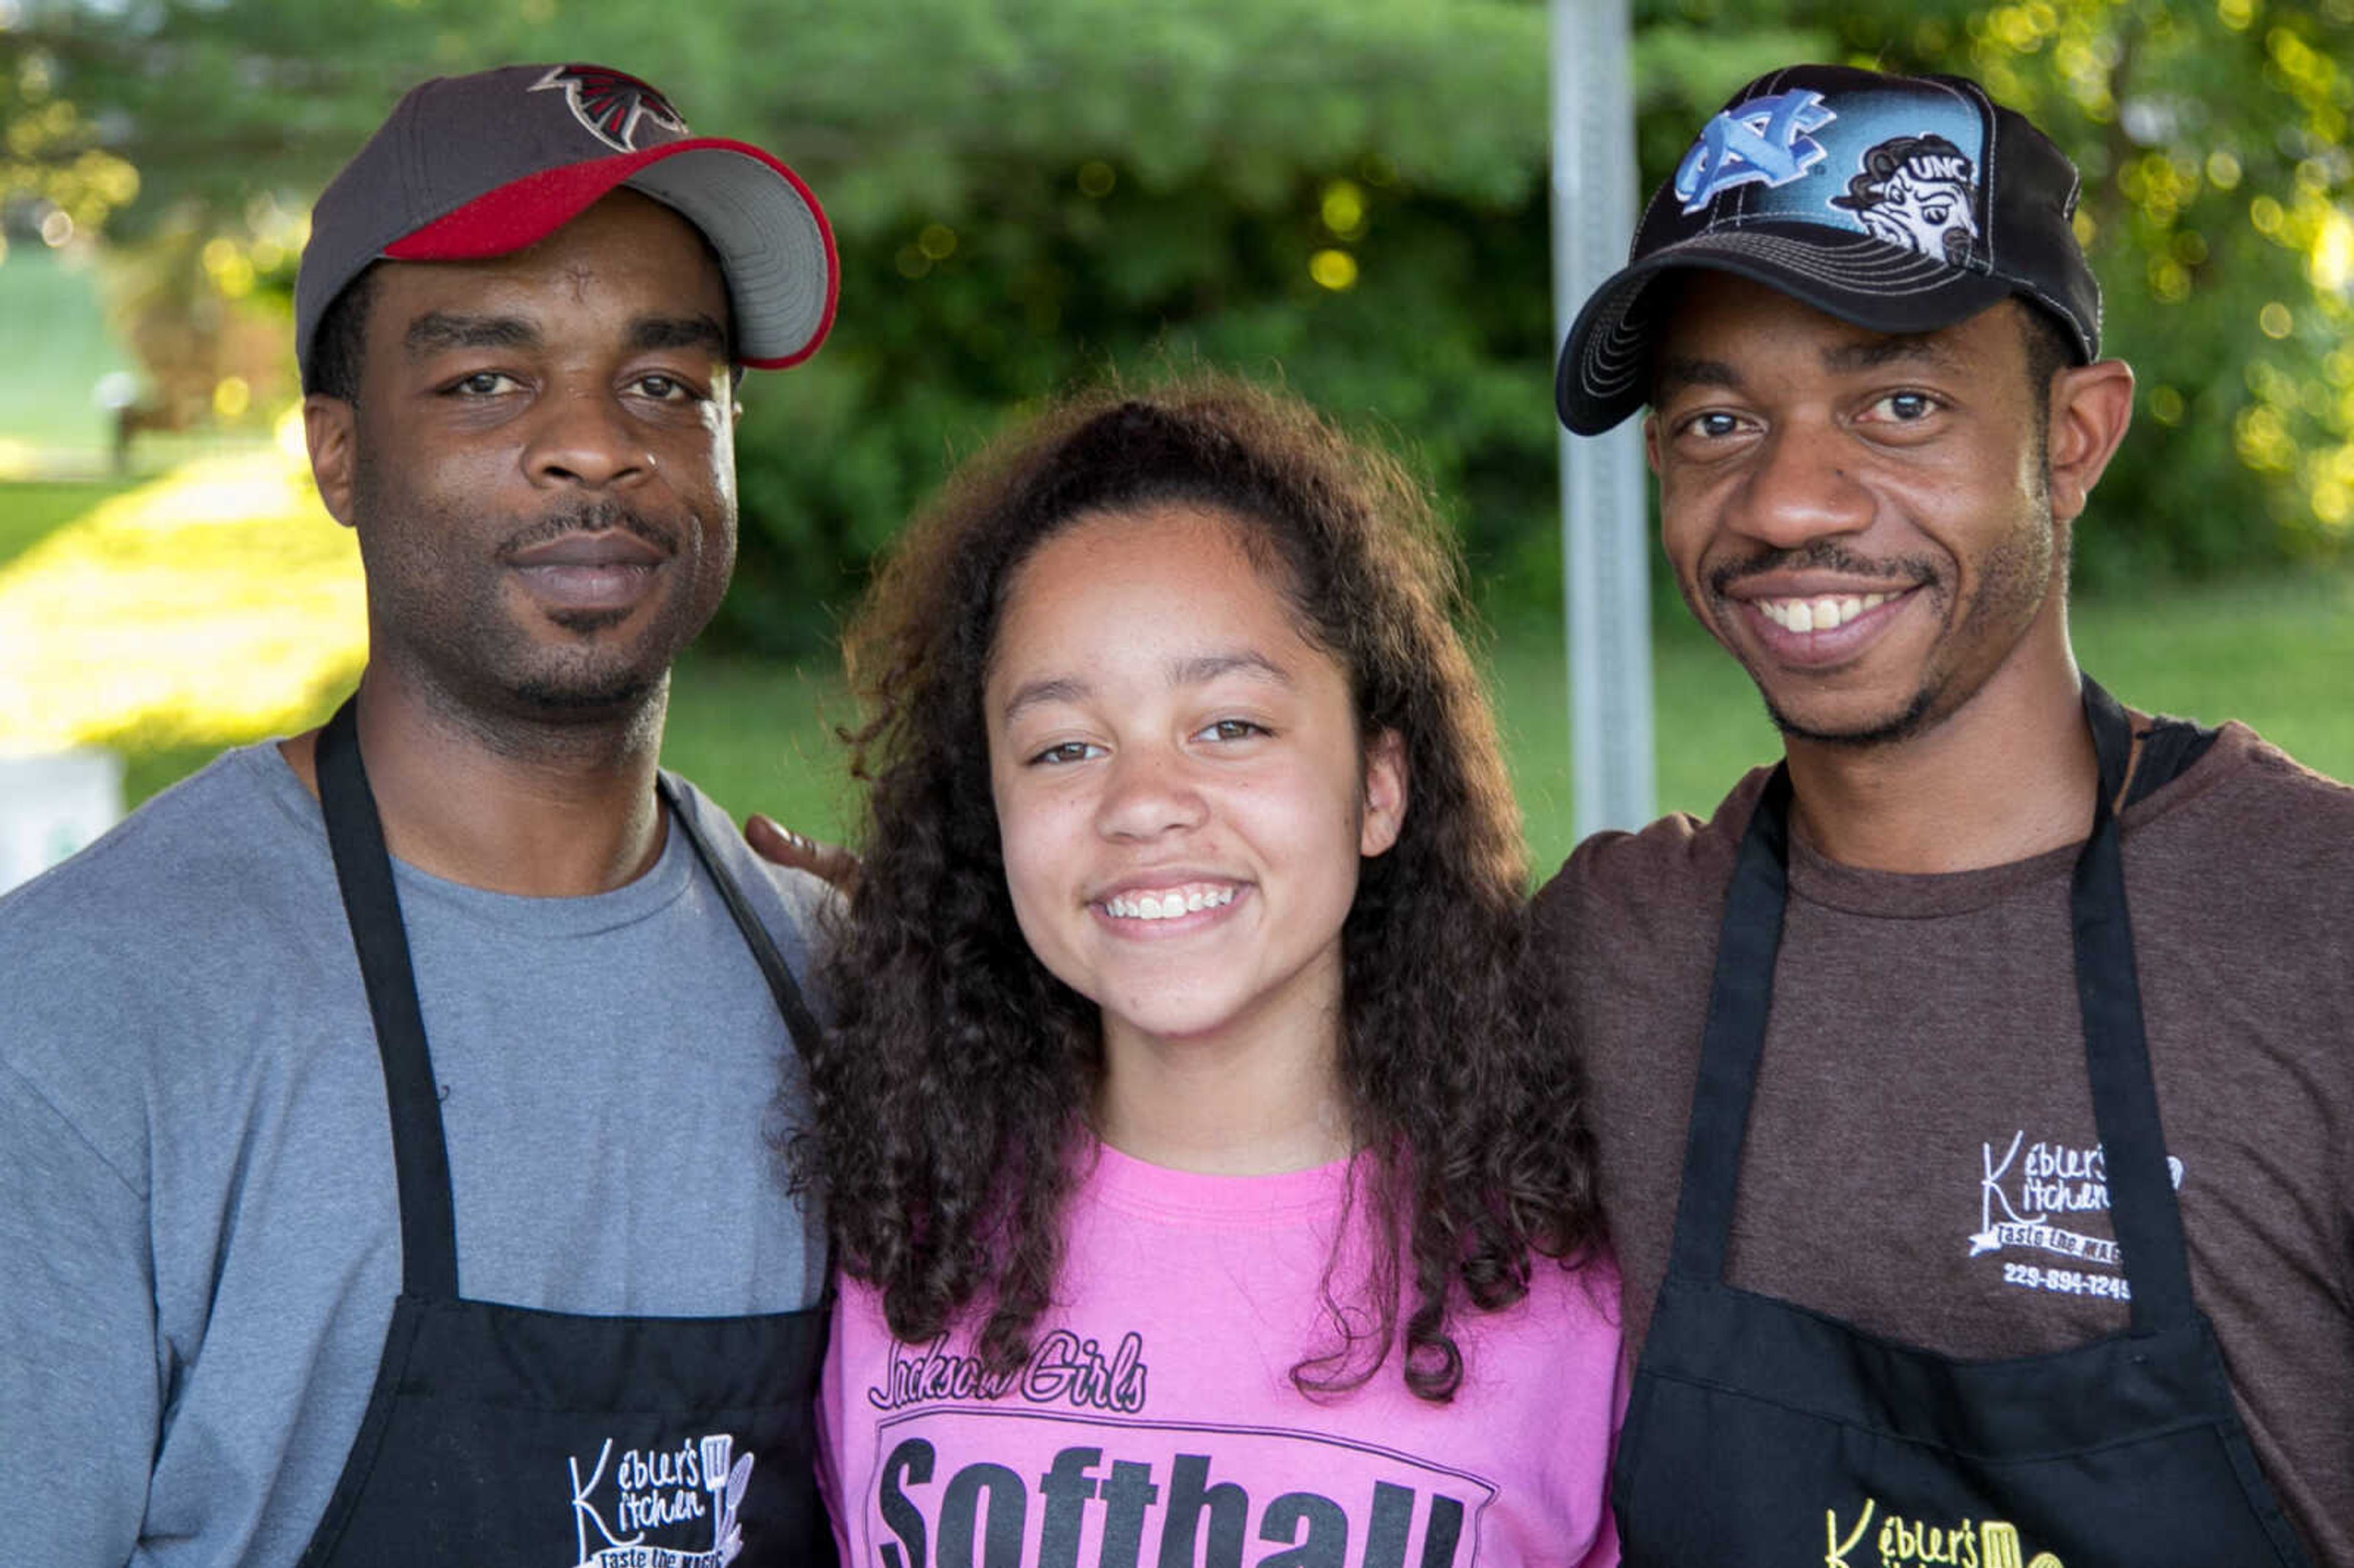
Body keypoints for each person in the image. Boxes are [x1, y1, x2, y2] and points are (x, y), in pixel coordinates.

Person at [0, 63, 844, 1567]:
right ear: (337, 452)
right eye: (487, 380)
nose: (598, 445)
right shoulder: (79, 1016)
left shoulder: (842, 987)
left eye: (668, 384)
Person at [1546, 63, 2353, 1564]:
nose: (1790, 502)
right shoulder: (1606, 952)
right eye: (1716, 423)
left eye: (1899, 403)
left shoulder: (2322, 929)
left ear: (2074, 436)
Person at [801, 381, 1622, 1567]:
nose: (1142, 803)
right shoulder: (897, 1235)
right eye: (1064, 747)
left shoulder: (1572, 1280)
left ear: (1379, 787)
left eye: (1229, 725)